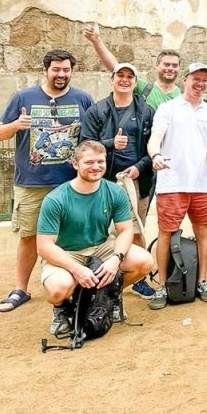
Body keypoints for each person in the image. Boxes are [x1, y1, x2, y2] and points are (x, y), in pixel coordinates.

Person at [0, 49, 95, 313]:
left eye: (66, 70)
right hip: (31, 183)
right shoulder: (23, 97)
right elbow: (0, 133)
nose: (61, 74)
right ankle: (20, 288)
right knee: (29, 236)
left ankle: (68, 287)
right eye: (56, 69)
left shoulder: (83, 99)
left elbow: (92, 137)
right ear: (45, 70)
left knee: (70, 238)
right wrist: (17, 124)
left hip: (70, 184)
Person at [37, 141, 154, 338]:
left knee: (145, 262)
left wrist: (116, 258)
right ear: (76, 164)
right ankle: (62, 308)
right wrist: (77, 269)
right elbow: (44, 246)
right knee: (57, 289)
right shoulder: (55, 199)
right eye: (89, 162)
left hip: (102, 246)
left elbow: (125, 230)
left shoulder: (115, 191)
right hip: (67, 252)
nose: (96, 167)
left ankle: (109, 297)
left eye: (100, 161)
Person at [146, 61, 207, 310]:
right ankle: (161, 285)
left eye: (204, 80)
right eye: (195, 79)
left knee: (203, 233)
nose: (200, 84)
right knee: (166, 233)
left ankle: (202, 281)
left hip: (202, 184)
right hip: (172, 183)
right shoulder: (167, 109)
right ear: (185, 80)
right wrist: (156, 156)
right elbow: (154, 140)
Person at [80, 62, 156, 299]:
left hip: (137, 182)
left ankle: (139, 279)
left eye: (129, 76)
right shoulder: (97, 110)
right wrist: (111, 144)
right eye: (120, 75)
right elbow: (84, 145)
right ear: (111, 79)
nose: (124, 80)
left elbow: (154, 148)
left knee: (136, 231)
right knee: (102, 233)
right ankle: (98, 278)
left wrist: (139, 168)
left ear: (135, 82)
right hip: (103, 181)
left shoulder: (146, 111)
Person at [83, 25, 182, 111]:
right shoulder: (143, 88)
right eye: (166, 64)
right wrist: (97, 41)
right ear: (157, 65)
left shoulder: (183, 95)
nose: (170, 68)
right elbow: (116, 67)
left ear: (179, 67)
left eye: (174, 65)